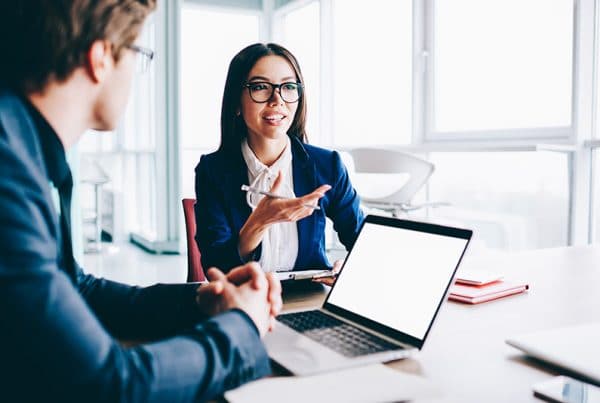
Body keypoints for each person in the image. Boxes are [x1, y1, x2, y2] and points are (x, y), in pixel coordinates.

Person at [0, 1, 282, 402]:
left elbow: (76, 288)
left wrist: (201, 300)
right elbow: (110, 386)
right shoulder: (9, 171)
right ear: (100, 58)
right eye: (137, 53)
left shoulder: (22, 148)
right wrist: (242, 325)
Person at [194, 43, 364, 279]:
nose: (277, 99)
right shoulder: (212, 171)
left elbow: (363, 238)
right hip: (245, 299)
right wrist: (259, 222)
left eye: (288, 86)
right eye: (261, 87)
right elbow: (216, 269)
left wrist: (349, 267)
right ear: (236, 103)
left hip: (309, 298)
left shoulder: (328, 165)